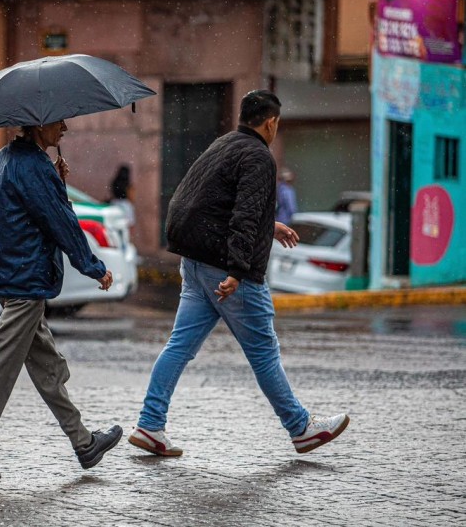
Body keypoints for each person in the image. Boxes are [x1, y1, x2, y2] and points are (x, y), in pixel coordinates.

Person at [128, 90, 349, 458]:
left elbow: (213, 203)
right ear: (271, 122)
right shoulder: (259, 156)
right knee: (264, 352)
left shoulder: (223, 144)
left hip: (195, 262)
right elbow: (243, 215)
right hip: (224, 268)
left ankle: (150, 424)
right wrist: (237, 270)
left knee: (179, 346)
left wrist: (269, 226)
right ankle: (301, 429)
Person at [0, 119, 122, 482]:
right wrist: (93, 267)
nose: (64, 128)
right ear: (38, 125)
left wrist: (56, 182)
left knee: (46, 366)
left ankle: (84, 443)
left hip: (9, 276)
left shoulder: (2, 160)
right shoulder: (33, 167)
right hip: (25, 280)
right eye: (58, 123)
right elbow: (60, 222)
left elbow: (18, 213)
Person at [109, 164, 136, 229]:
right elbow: (131, 225)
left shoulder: (115, 182)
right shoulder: (128, 185)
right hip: (125, 205)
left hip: (114, 203)